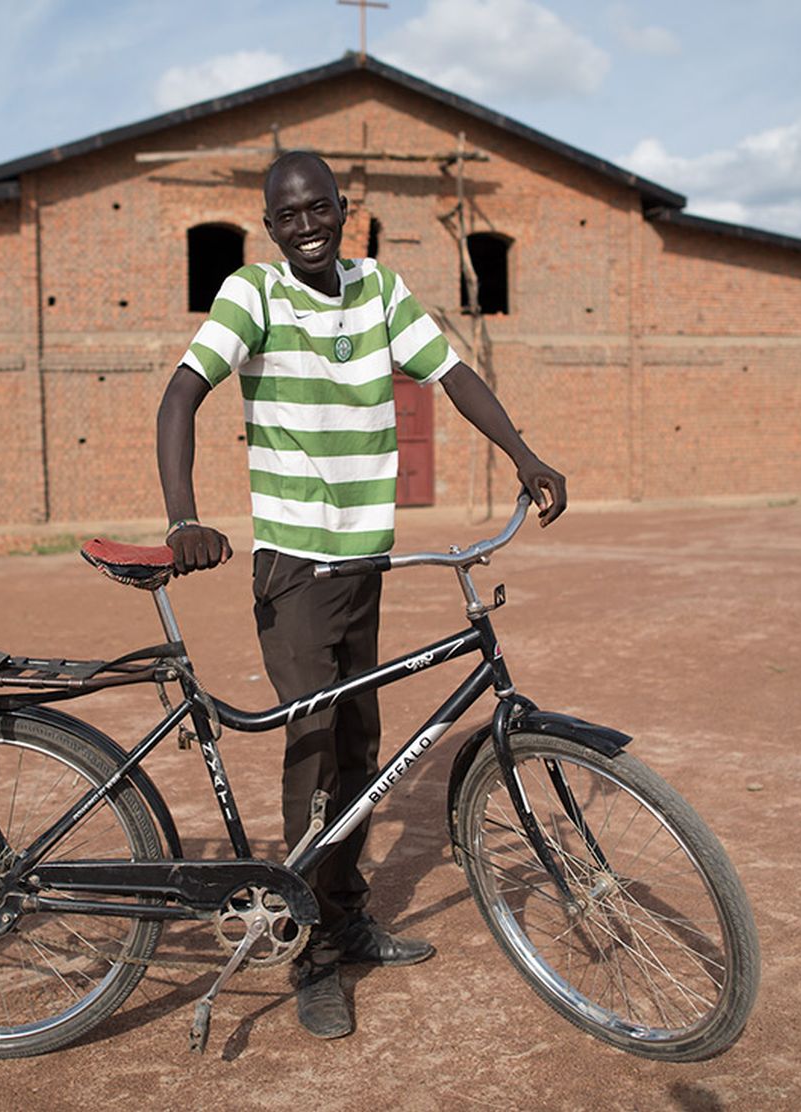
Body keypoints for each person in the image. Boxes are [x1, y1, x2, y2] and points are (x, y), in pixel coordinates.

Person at [155, 150, 566, 1039]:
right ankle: (309, 954)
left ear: (345, 210)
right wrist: (183, 516)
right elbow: (182, 395)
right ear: (270, 226)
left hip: (363, 566)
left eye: (318, 211)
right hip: (295, 573)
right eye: (286, 216)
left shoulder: (380, 291)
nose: (304, 227)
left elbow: (452, 374)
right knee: (312, 753)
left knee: (361, 747)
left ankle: (343, 917)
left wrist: (524, 456)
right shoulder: (253, 295)